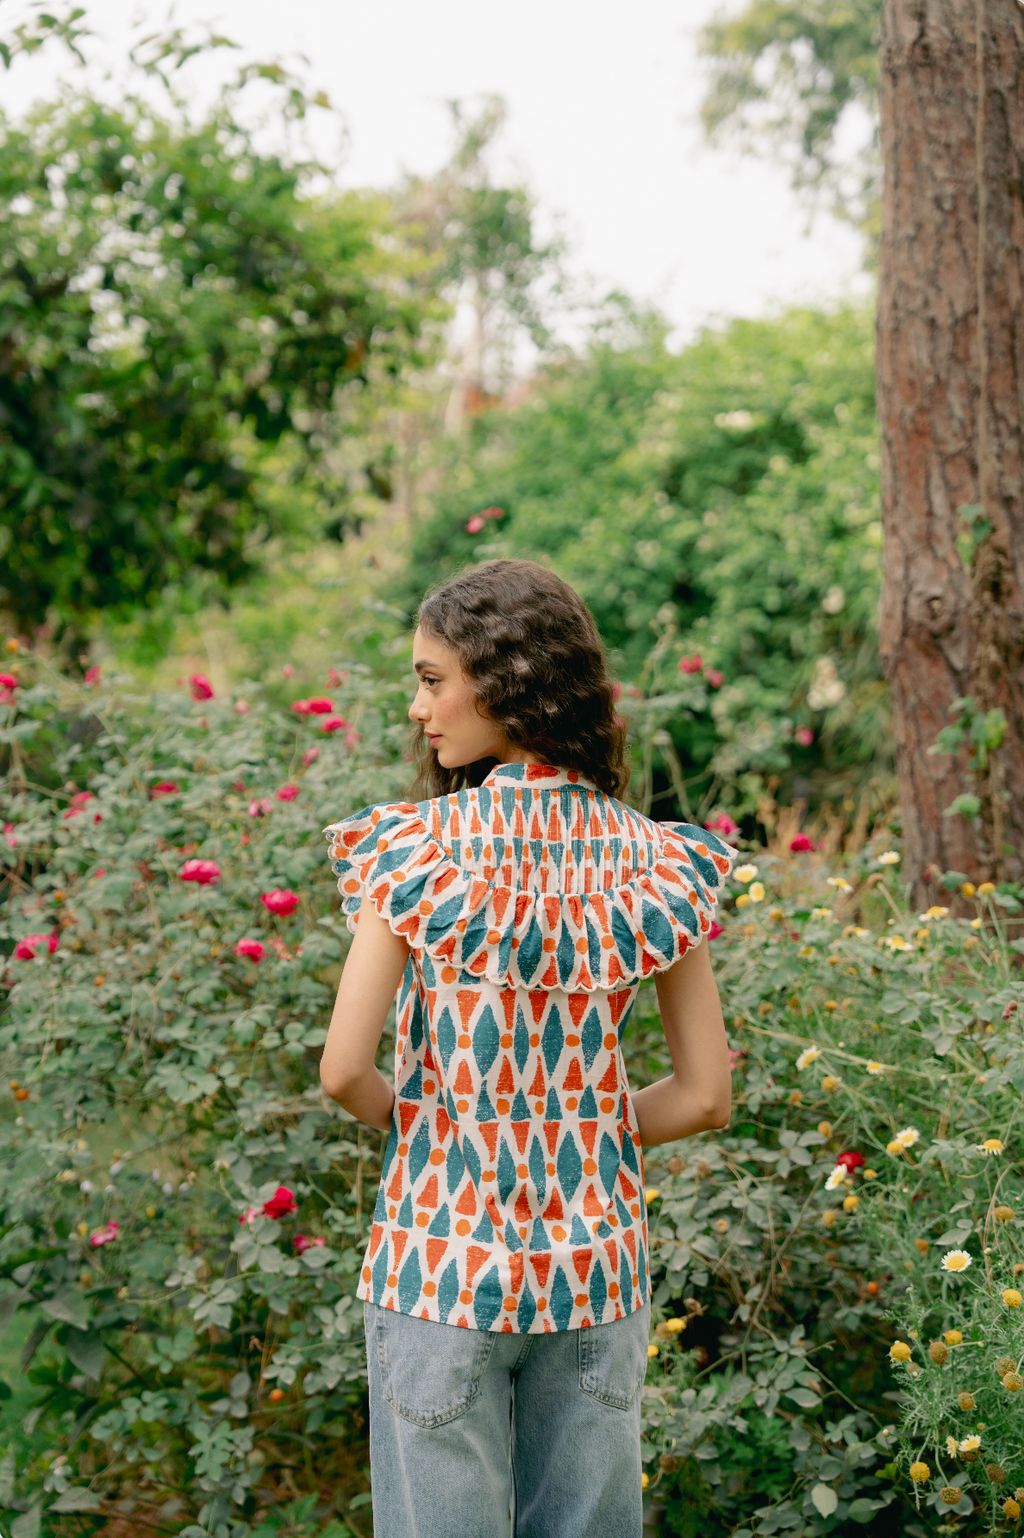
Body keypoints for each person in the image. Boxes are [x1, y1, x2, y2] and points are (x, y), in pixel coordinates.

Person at [320, 559, 734, 1538]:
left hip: (437, 1266)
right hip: (593, 1275)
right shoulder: (659, 860)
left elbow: (342, 1070)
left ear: (504, 681)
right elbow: (705, 1096)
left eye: (432, 679)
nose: (417, 706)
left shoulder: (414, 851)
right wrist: (580, 1128)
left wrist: (437, 1130)